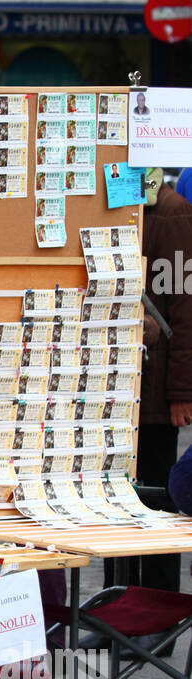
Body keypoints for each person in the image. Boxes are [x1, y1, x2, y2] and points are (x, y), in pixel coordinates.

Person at [132, 170, 192, 592]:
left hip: (155, 393)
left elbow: (186, 308)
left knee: (159, 503)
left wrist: (181, 393)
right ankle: (126, 606)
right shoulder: (122, 201)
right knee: (130, 502)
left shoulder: (171, 212)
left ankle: (159, 611)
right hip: (129, 388)